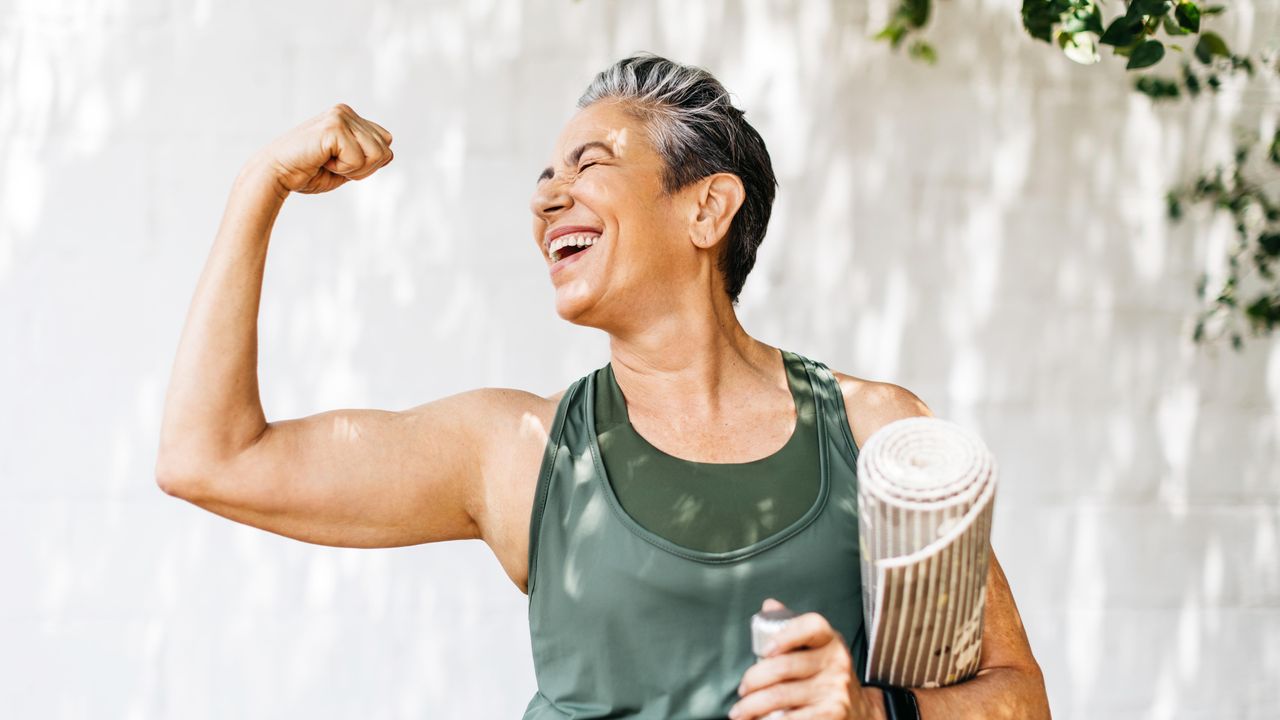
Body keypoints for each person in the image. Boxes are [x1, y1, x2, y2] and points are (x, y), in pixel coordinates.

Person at [156, 53, 1050, 720]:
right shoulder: (518, 453)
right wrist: (258, 185)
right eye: (546, 177)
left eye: (588, 165)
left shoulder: (877, 431)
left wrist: (872, 712)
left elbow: (1019, 698)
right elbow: (208, 458)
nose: (548, 198)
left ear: (707, 208)